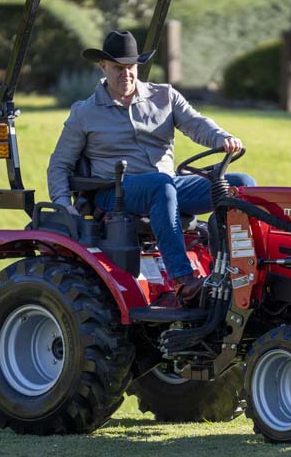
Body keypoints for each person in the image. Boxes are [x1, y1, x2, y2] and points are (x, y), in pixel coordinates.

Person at [47, 30, 255, 300]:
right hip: (117, 191)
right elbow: (59, 165)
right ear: (103, 66)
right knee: (162, 187)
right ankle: (183, 279)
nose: (126, 74)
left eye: (130, 67)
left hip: (167, 184)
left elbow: (196, 124)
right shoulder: (84, 113)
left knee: (241, 185)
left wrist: (222, 137)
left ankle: (236, 269)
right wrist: (63, 204)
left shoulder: (165, 96)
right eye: (118, 68)